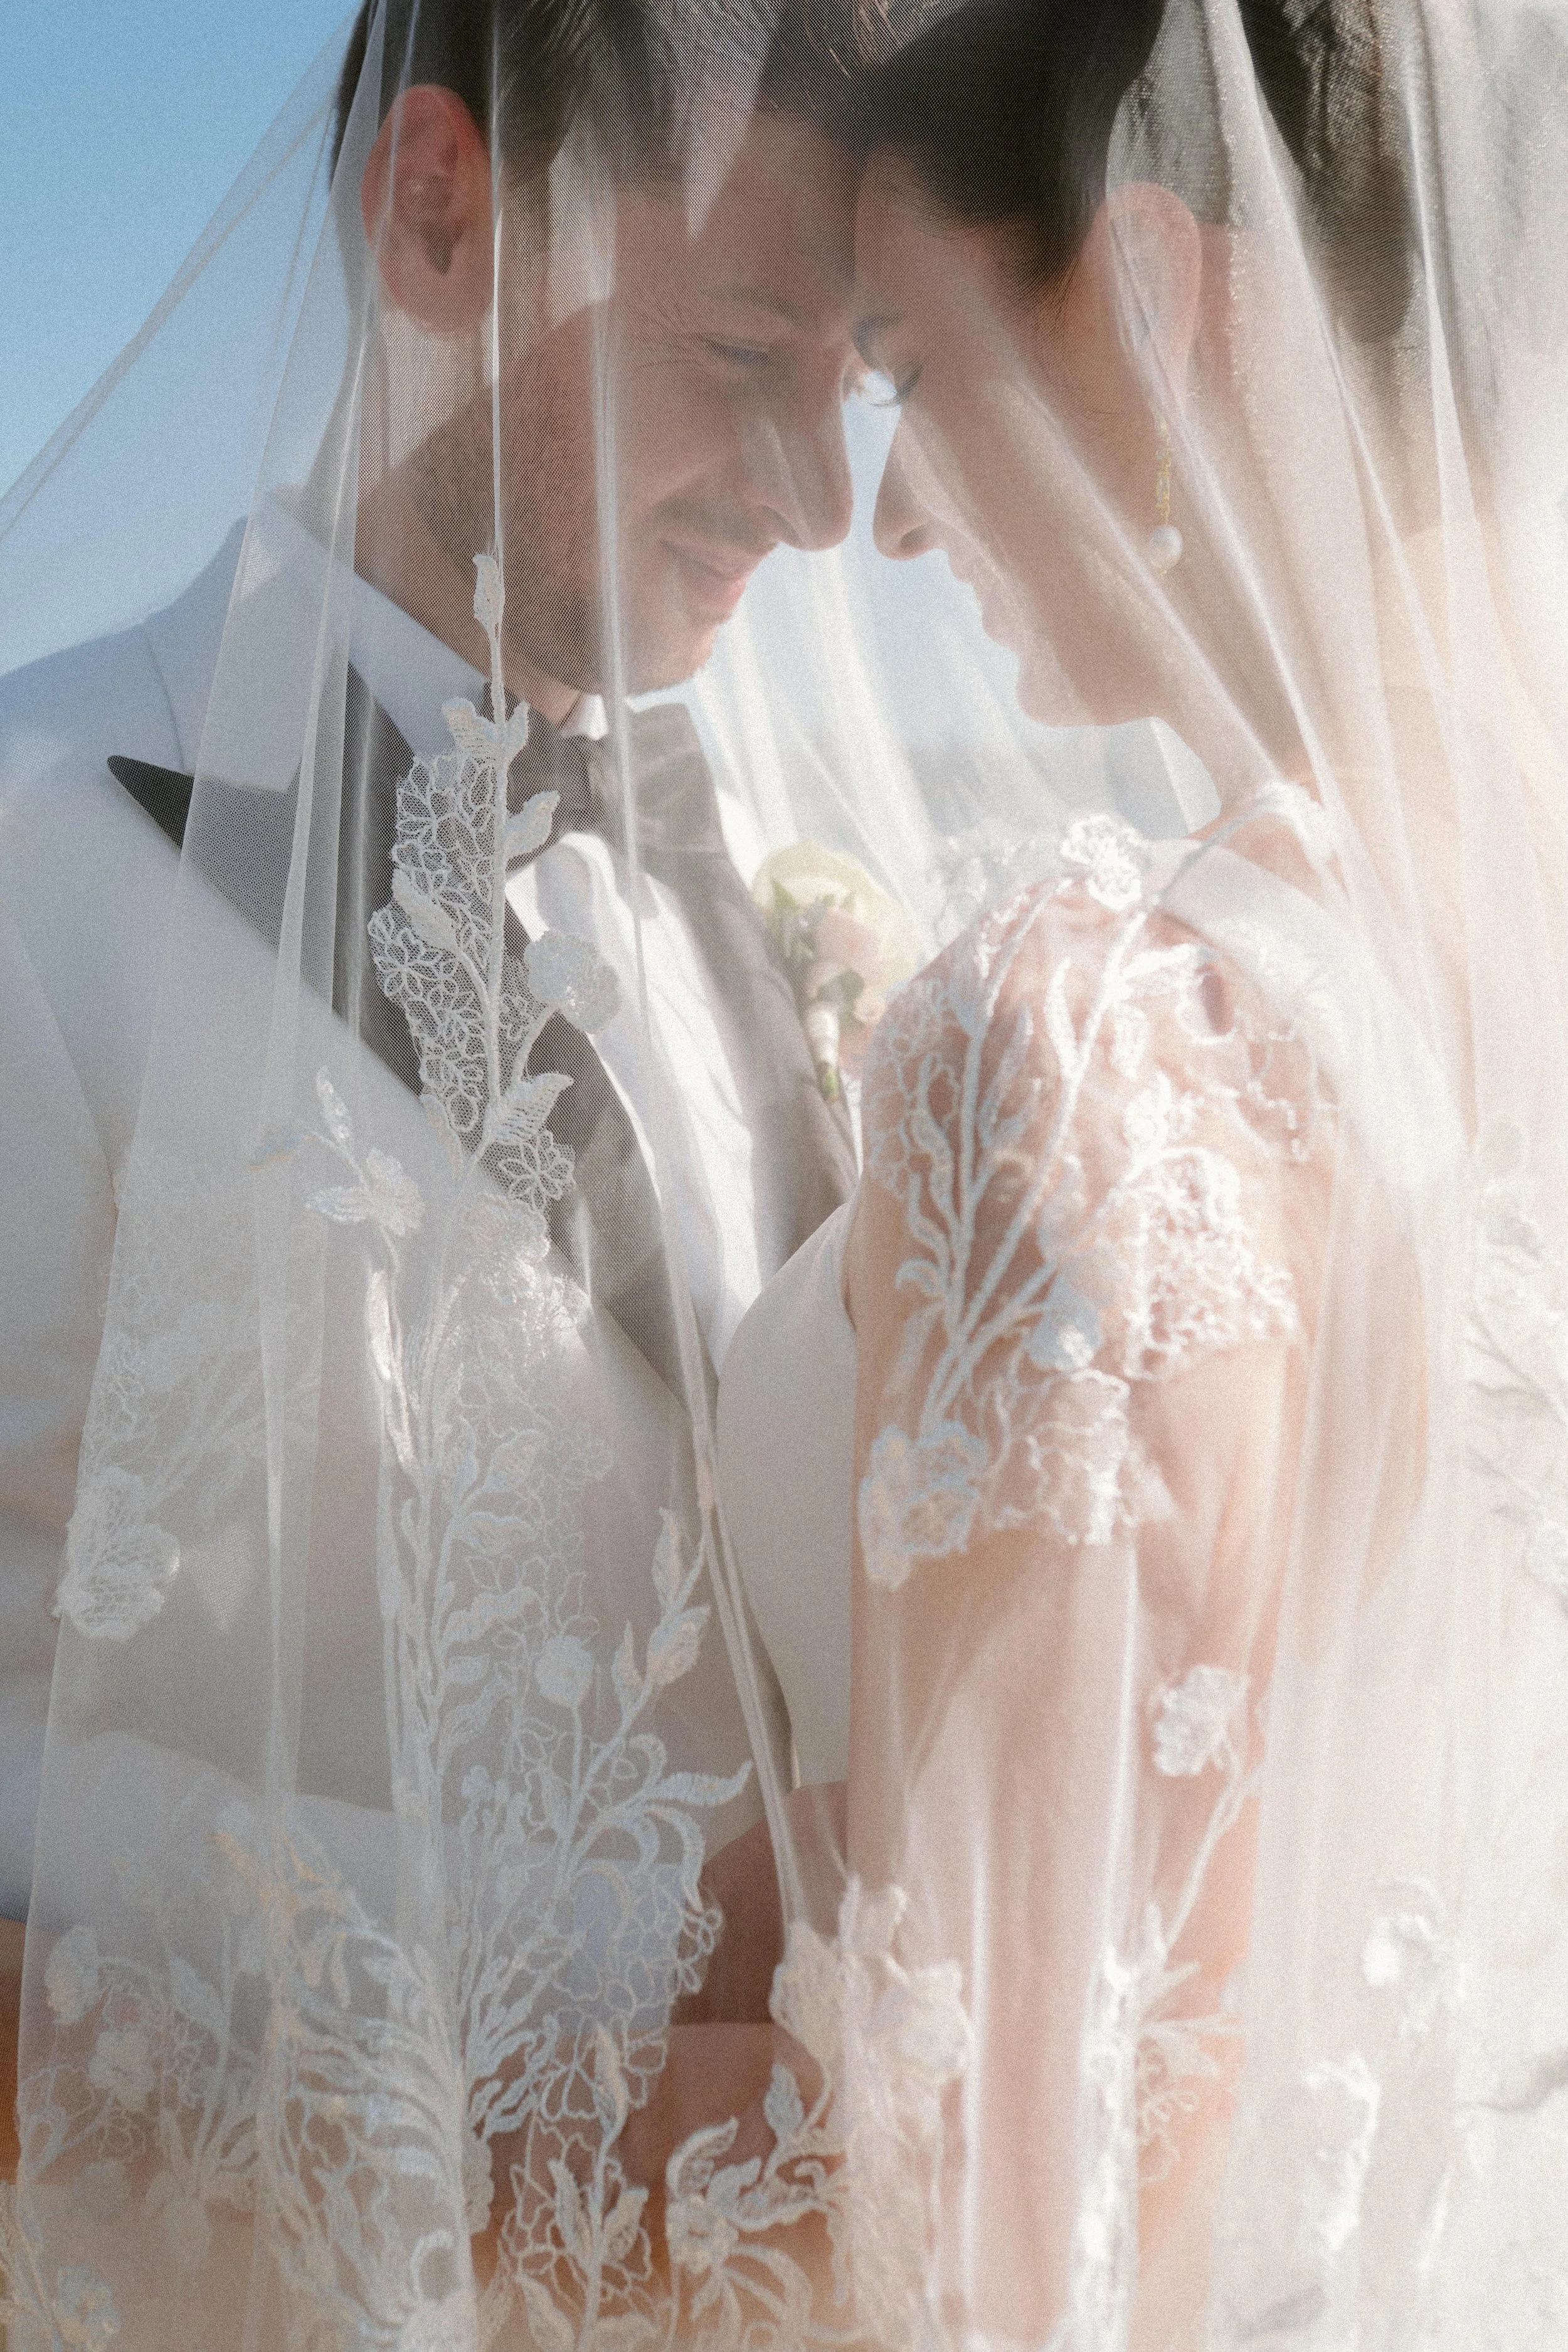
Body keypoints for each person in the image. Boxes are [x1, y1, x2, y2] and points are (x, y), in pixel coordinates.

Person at [712, 0, 1568, 2342]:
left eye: (905, 356)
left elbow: (976, 2236)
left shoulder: (1091, 1037)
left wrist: (131, 2080)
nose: (879, 509)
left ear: (1175, 293)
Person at [0, 0, 860, 1936]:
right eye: (743, 362)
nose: (818, 500)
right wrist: (615, 1975)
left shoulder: (720, 848)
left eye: (853, 388)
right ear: (435, 220)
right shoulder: (31, 854)